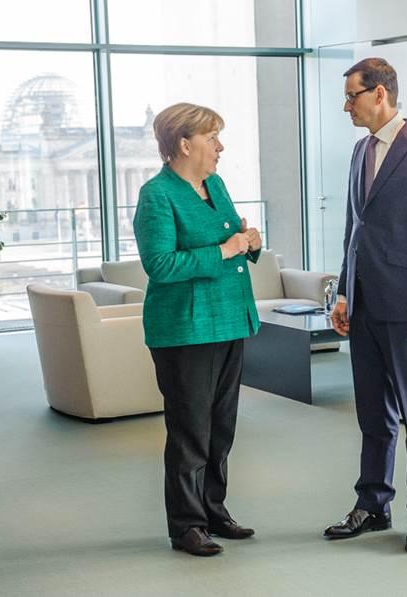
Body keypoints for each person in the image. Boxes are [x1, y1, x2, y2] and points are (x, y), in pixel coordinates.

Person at [323, 58, 407, 552]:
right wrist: (343, 293)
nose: (346, 106)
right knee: (373, 415)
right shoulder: (360, 150)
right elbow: (354, 229)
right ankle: (373, 504)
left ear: (380, 94)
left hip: (406, 309)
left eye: (351, 96)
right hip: (363, 305)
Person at [133, 102, 263, 557]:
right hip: (185, 330)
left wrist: (249, 243)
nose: (220, 147)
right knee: (190, 430)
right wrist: (226, 250)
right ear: (185, 144)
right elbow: (160, 264)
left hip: (229, 319)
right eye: (212, 138)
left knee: (221, 428)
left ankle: (214, 510)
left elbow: (230, 238)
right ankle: (187, 525)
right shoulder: (157, 195)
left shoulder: (215, 185)